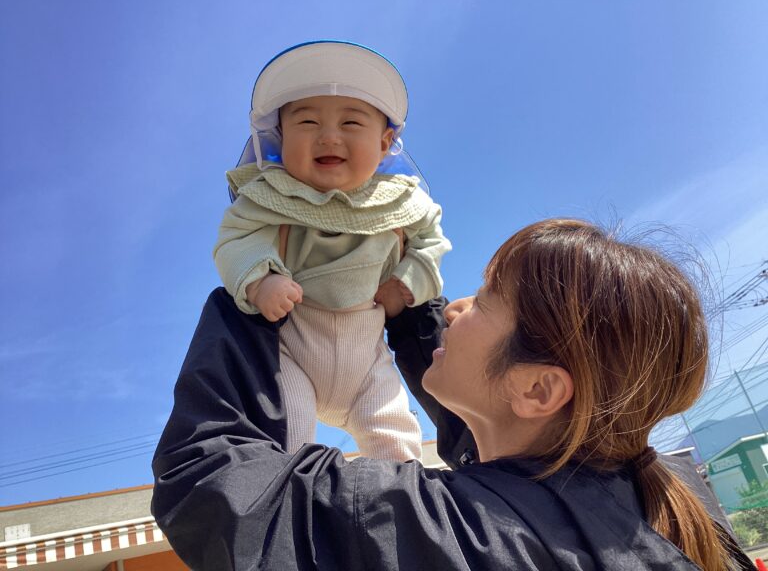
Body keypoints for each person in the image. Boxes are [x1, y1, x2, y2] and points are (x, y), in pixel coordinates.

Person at [153, 219, 755, 570]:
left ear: (539, 388)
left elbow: (213, 485)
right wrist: (407, 311)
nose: (455, 306)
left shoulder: (461, 536)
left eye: (486, 300)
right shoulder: (669, 505)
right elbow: (498, 456)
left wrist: (252, 292)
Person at [213, 40, 450, 461]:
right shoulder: (270, 197)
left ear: (385, 142)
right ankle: (293, 493)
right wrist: (260, 280)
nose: (328, 136)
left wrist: (407, 281)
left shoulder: (398, 201)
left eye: (351, 122)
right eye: (306, 121)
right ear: (280, 137)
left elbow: (432, 240)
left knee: (394, 437)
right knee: (288, 436)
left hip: (367, 352)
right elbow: (236, 238)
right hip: (294, 347)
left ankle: (400, 497)